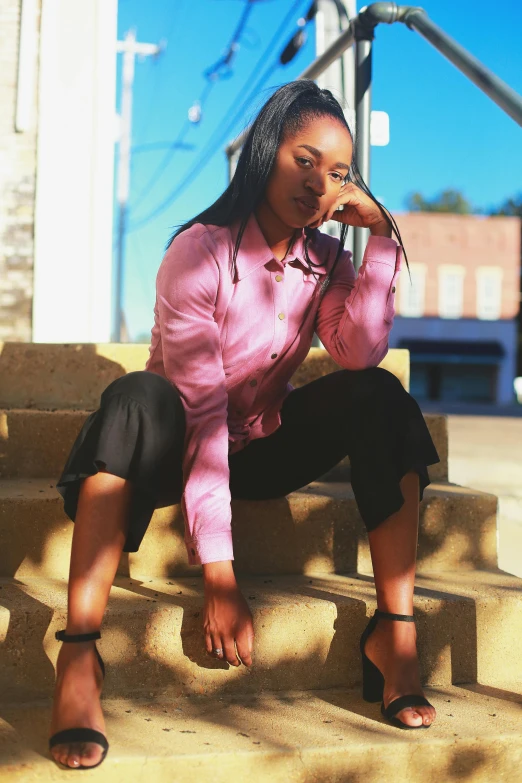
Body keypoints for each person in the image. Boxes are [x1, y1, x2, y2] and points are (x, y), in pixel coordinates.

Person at [49, 79, 440, 769]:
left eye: (339, 172)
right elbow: (198, 414)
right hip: (174, 451)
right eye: (305, 159)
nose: (320, 182)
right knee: (135, 398)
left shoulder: (326, 262)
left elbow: (359, 350)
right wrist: (221, 576)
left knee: (379, 395)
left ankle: (396, 633)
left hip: (260, 448)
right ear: (266, 152)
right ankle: (79, 655)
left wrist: (381, 238)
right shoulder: (198, 253)